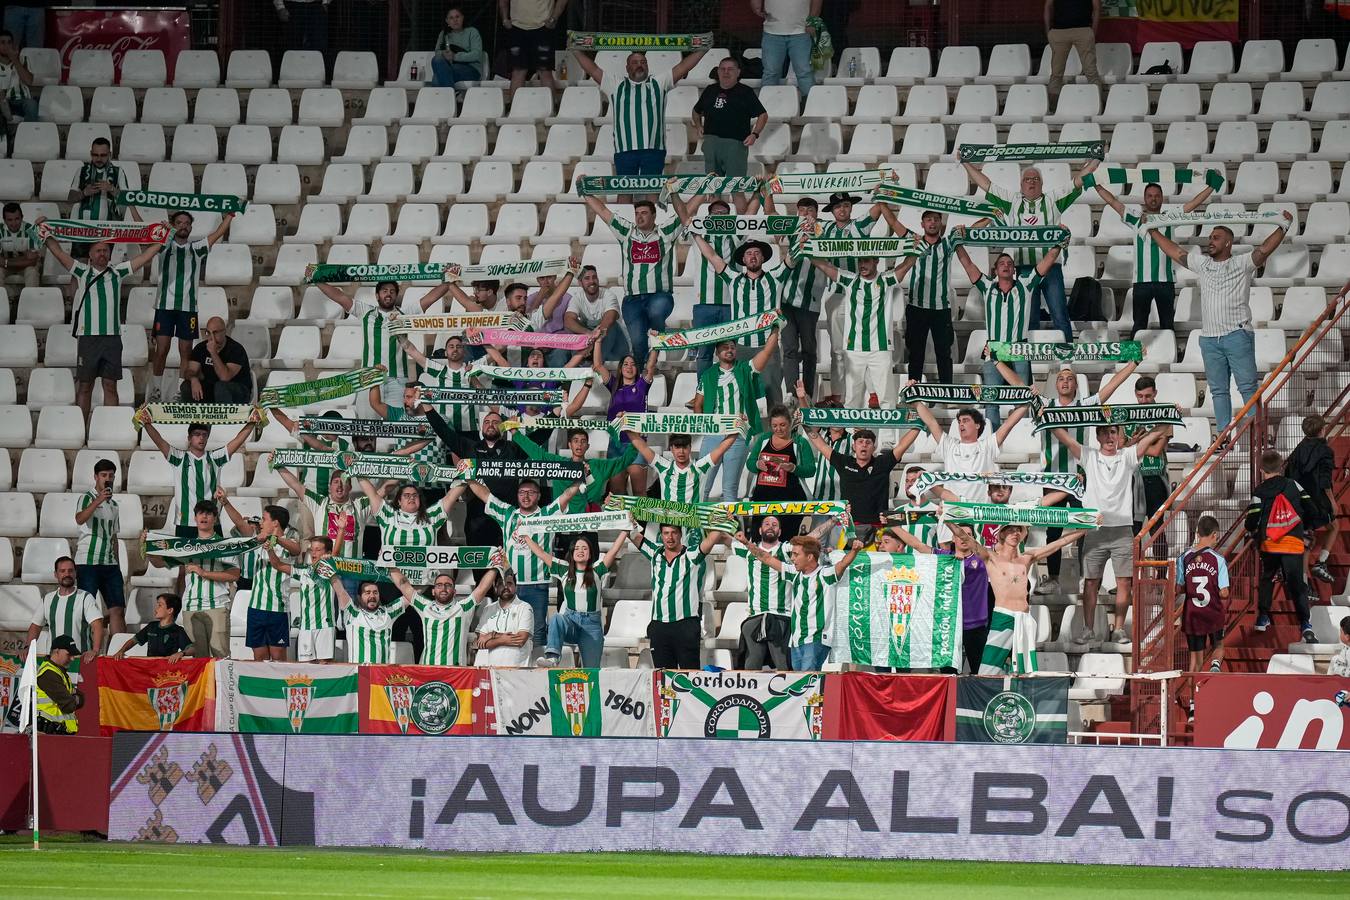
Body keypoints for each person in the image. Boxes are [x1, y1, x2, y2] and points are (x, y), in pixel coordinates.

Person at [996, 356, 1138, 594]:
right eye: (1061, 378)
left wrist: (1134, 363)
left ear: (1076, 385)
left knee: (1085, 527)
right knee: (1053, 529)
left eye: (1070, 379)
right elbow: (1019, 385)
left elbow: (1111, 386)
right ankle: (1053, 579)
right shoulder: (1044, 403)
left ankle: (1085, 577)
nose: (1065, 381)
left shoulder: (1085, 404)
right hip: (1053, 479)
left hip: (1080, 477)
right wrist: (997, 362)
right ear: (1056, 384)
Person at [1146, 210, 1293, 435]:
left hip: (1237, 335)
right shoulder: (1203, 264)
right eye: (1210, 238)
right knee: (1218, 391)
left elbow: (1264, 250)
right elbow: (1176, 251)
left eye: (1216, 238)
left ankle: (1259, 437)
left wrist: (1283, 227)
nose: (1210, 241)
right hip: (1209, 339)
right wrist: (1152, 230)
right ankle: (1223, 437)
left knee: (1248, 389)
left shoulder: (1241, 263)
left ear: (1228, 243)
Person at [1051, 423, 1168, 644]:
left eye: (1113, 432)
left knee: (1124, 582)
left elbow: (1151, 436)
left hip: (1122, 529)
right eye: (1104, 432)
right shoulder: (1089, 456)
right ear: (1097, 437)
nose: (1109, 436)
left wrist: (1171, 416)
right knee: (1091, 582)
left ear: (1119, 435)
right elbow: (1065, 438)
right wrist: (1046, 417)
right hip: (1095, 530)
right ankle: (1087, 629)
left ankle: (1119, 629)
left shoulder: (1127, 456)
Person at [961, 157, 1098, 342]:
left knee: (1060, 315)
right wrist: (965, 162)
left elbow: (1078, 181)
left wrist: (1097, 160)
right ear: (1021, 185)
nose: (1031, 182)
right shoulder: (1012, 201)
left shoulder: (1053, 200)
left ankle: (1067, 356)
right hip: (1024, 269)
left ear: (1042, 184)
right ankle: (1030, 356)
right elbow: (986, 184)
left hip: (1050, 268)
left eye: (1035, 179)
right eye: (1027, 179)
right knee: (1029, 318)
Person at [39, 229, 164, 417]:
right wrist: (45, 232)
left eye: (105, 250)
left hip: (112, 338)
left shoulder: (117, 272)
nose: (102, 254)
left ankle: (109, 425)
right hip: (88, 337)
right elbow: (58, 253)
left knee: (110, 385)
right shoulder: (82, 271)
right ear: (90, 254)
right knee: (85, 386)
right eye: (98, 250)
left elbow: (145, 257)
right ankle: (81, 427)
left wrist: (162, 238)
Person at [952, 237, 1066, 427]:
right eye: (1001, 263)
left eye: (1009, 264)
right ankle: (994, 438)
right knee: (991, 400)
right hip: (994, 350)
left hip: (1019, 349)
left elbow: (1046, 263)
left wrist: (1059, 245)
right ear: (995, 270)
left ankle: (1022, 435)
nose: (1006, 266)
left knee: (1022, 398)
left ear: (1014, 270)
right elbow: (968, 264)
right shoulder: (987, 286)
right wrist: (957, 245)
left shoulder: (1025, 285)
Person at [465, 475, 586, 651]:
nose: (526, 496)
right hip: (509, 585)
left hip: (537, 585)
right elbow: (485, 495)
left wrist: (579, 476)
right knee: (508, 628)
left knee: (536, 632)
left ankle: (534, 666)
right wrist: (467, 477)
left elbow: (566, 495)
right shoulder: (508, 513)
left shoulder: (547, 514)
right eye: (522, 492)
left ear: (539, 495)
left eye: (531, 492)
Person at [952, 522, 1087, 675]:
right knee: (988, 669)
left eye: (1018, 530)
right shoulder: (991, 558)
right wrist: (946, 519)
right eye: (1011, 530)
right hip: (1003, 617)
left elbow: (1059, 543)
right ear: (1002, 534)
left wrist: (1086, 528)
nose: (1015, 533)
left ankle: (1020, 691)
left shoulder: (1026, 559)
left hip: (1024, 618)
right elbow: (965, 537)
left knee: (1025, 671)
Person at [1092, 178, 1215, 339]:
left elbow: (1193, 204)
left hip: (1165, 281)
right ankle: (1134, 354)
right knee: (1139, 324)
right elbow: (1113, 202)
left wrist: (1212, 187)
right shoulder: (1136, 218)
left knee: (1167, 325)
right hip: (1141, 282)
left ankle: (1168, 353)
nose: (1153, 199)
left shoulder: (1169, 218)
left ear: (1162, 198)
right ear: (1145, 198)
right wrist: (1095, 185)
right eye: (1149, 196)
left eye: (1157, 195)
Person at [315, 276, 452, 413]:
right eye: (384, 291)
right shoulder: (365, 311)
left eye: (392, 291)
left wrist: (449, 281)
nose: (388, 294)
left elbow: (429, 299)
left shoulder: (405, 313)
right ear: (377, 295)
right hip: (368, 378)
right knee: (368, 424)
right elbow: (339, 297)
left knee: (397, 423)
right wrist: (316, 279)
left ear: (396, 296)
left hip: (397, 380)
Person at [573, 46, 707, 181]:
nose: (639, 65)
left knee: (651, 189)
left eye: (643, 62)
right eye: (635, 62)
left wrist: (703, 50)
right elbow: (593, 70)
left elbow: (683, 67)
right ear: (627, 68)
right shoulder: (615, 85)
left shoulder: (659, 83)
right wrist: (575, 50)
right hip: (625, 151)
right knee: (625, 190)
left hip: (654, 150)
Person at [734, 532, 864, 671]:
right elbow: (766, 558)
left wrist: (854, 551)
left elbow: (843, 564)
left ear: (809, 557)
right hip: (796, 640)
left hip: (816, 638)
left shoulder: (825, 574)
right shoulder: (795, 573)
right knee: (798, 680)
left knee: (807, 678)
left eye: (796, 555)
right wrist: (746, 543)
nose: (792, 558)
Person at [670, 192, 765, 376]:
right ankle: (703, 390)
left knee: (729, 352)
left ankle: (730, 389)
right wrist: (676, 192)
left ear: (729, 218)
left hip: (730, 305)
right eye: (715, 213)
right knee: (704, 354)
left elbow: (750, 214)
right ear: (708, 216)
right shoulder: (699, 233)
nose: (719, 216)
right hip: (704, 304)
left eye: (723, 213)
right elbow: (683, 213)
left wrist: (758, 191)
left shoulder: (735, 235)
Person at [816, 190, 898, 394]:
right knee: (838, 349)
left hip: (860, 295)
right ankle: (837, 395)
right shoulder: (824, 227)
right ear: (832, 211)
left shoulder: (859, 225)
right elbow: (802, 222)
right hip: (836, 294)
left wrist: (882, 190)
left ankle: (873, 394)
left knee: (865, 347)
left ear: (851, 207)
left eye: (845, 205)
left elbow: (879, 207)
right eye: (837, 206)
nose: (842, 209)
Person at [148, 211, 235, 403]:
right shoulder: (163, 245)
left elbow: (219, 232)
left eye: (187, 223)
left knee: (186, 350)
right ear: (173, 225)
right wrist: (131, 205)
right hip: (164, 306)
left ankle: (181, 391)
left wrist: (230, 214)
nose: (183, 225)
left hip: (188, 309)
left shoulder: (197, 248)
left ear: (191, 227)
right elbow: (143, 232)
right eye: (179, 222)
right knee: (161, 349)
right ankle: (156, 390)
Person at [688, 233, 785, 402]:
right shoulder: (733, 279)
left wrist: (803, 239)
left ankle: (776, 421)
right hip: (741, 347)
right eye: (749, 253)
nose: (753, 256)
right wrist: (695, 234)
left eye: (757, 253)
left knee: (773, 393)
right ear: (743, 259)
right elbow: (712, 256)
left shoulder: (775, 277)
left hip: (767, 345)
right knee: (739, 396)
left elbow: (792, 259)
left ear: (763, 257)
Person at [583, 196, 683, 359]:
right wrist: (586, 192)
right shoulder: (626, 232)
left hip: (659, 295)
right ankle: (642, 371)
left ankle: (657, 338)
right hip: (632, 300)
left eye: (644, 213)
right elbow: (602, 211)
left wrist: (703, 189)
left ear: (654, 216)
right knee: (637, 344)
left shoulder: (665, 232)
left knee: (657, 311)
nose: (639, 217)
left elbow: (686, 211)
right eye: (637, 213)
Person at [136, 409, 259, 539]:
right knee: (185, 554)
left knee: (214, 553)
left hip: (212, 522)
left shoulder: (215, 458)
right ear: (189, 438)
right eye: (197, 434)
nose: (201, 438)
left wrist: (252, 422)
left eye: (204, 435)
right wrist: (146, 423)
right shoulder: (179, 458)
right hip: (185, 523)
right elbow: (159, 441)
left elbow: (237, 441)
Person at [145, 500, 240, 659]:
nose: (204, 517)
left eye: (208, 514)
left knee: (220, 657)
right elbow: (159, 563)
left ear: (215, 519)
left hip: (216, 604)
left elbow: (234, 574)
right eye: (200, 513)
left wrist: (204, 573)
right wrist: (148, 548)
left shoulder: (224, 545)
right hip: (191, 606)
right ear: (195, 518)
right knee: (198, 659)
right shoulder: (185, 546)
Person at [805, 254, 902, 410]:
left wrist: (915, 251)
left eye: (866, 260)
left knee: (886, 400)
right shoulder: (850, 280)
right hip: (854, 346)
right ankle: (847, 419)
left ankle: (883, 422)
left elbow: (905, 267)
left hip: (880, 347)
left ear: (876, 261)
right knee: (851, 399)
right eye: (860, 261)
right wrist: (808, 253)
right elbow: (826, 267)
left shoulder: (885, 280)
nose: (862, 264)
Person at [694, 330, 781, 502]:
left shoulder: (745, 369)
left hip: (738, 435)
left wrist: (775, 329)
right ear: (717, 352)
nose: (729, 350)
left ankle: (730, 521)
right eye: (725, 347)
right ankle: (698, 520)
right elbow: (698, 404)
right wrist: (704, 426)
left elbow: (767, 351)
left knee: (730, 489)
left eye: (732, 347)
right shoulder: (708, 375)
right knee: (702, 485)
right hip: (713, 434)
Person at [425, 409, 529, 551]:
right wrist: (427, 406)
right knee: (478, 561)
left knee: (507, 562)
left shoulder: (513, 449)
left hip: (507, 518)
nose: (490, 425)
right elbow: (443, 431)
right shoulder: (471, 447)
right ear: (481, 427)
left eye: (495, 422)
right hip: (477, 520)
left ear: (504, 427)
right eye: (486, 422)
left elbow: (538, 440)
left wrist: (555, 413)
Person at [892, 210, 975, 384]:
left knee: (944, 354)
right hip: (916, 307)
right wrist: (882, 202)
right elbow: (894, 224)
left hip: (941, 308)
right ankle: (914, 391)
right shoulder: (914, 241)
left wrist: (991, 215)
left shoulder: (948, 243)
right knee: (916, 354)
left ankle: (946, 392)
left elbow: (975, 230)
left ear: (940, 223)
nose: (932, 223)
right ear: (922, 224)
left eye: (936, 219)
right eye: (928, 219)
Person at [273, 459, 371, 602]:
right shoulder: (320, 503)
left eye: (344, 481)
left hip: (351, 573)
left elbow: (382, 492)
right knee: (325, 611)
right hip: (324, 571)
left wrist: (400, 468)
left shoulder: (360, 506)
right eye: (336, 482)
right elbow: (296, 485)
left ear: (350, 487)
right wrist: (278, 465)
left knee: (348, 613)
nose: (339, 485)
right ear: (330, 487)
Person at [524, 533, 627, 668]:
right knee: (557, 618)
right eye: (577, 548)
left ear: (590, 554)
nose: (580, 551)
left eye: (584, 548)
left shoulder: (597, 570)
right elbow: (542, 554)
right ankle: (552, 658)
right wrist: (526, 537)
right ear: (572, 553)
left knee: (591, 670)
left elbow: (613, 550)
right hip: (571, 621)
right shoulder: (563, 570)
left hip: (591, 626)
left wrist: (625, 531)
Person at [1246, 449, 1316, 643]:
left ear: (1262, 470)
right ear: (1281, 467)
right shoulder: (1293, 485)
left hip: (1269, 543)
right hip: (1293, 541)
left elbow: (1252, 519)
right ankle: (1305, 623)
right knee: (1296, 583)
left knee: (1267, 578)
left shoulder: (1259, 491)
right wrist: (1304, 525)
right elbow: (1311, 507)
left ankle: (1263, 616)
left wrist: (1251, 529)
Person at [630, 524, 722, 669]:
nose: (670, 537)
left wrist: (722, 520)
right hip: (659, 626)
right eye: (666, 533)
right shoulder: (654, 552)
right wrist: (626, 517)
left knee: (689, 675)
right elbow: (631, 534)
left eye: (674, 532)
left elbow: (711, 540)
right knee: (663, 676)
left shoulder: (691, 554)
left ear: (680, 534)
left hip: (685, 625)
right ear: (661, 535)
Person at [221, 499, 301, 662]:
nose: (261, 523)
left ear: (275, 523)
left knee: (278, 660)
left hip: (278, 609)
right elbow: (239, 522)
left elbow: (297, 549)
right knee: (259, 659)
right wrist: (225, 502)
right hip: (256, 609)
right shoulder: (258, 540)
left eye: (264, 519)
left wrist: (274, 539)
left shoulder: (288, 542)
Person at [803, 426, 918, 529]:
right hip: (847, 526)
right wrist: (803, 422)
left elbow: (903, 445)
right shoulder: (844, 462)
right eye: (860, 442)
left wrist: (918, 425)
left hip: (876, 526)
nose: (864, 445)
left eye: (868, 442)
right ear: (854, 446)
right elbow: (821, 445)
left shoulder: (882, 463)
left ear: (874, 447)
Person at [692, 58, 768, 211]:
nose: (726, 72)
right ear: (718, 71)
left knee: (736, 188)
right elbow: (696, 111)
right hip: (711, 142)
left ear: (738, 72)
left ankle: (742, 223)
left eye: (730, 69)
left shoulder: (745, 92)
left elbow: (763, 115)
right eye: (722, 69)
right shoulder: (710, 90)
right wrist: (699, 126)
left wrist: (755, 134)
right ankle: (715, 221)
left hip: (735, 144)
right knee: (713, 187)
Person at [766, 196, 825, 393]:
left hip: (811, 301)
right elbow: (771, 215)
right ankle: (792, 394)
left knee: (809, 351)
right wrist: (768, 192)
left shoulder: (825, 230)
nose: (806, 214)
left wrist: (814, 229)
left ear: (816, 212)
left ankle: (807, 395)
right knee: (790, 349)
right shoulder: (793, 227)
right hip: (787, 300)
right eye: (802, 210)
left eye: (810, 210)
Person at [390, 563, 500, 667]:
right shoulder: (425, 607)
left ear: (454, 591)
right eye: (439, 585)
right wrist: (389, 563)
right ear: (433, 591)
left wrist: (495, 566)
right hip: (429, 671)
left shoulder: (463, 608)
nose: (443, 588)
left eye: (448, 585)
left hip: (456, 673)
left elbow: (482, 588)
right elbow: (403, 584)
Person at [593, 346, 659, 495]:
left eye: (633, 364)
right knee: (617, 492)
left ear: (637, 369)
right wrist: (598, 341)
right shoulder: (614, 385)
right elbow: (597, 365)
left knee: (639, 492)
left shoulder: (642, 386)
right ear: (620, 368)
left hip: (636, 445)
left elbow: (650, 366)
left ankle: (639, 514)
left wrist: (656, 345)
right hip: (616, 445)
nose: (629, 367)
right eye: (626, 364)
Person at [744, 404, 817, 539]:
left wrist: (793, 468)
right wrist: (757, 464)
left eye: (782, 425)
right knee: (759, 539)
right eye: (775, 426)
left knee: (786, 541)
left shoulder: (800, 443)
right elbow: (750, 463)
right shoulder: (763, 439)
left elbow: (811, 470)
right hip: (762, 499)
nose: (778, 429)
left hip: (790, 500)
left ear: (790, 423)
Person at [75, 458, 125, 637]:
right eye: (104, 475)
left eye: (111, 475)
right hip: (88, 562)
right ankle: (84, 647)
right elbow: (79, 519)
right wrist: (98, 500)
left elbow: (114, 537)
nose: (107, 478)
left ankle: (118, 650)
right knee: (86, 609)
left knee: (117, 609)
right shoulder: (86, 498)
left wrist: (118, 565)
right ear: (96, 477)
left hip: (109, 563)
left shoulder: (114, 505)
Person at [1284, 414, 1338, 584]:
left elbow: (1288, 473)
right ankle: (1321, 562)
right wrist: (1332, 501)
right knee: (1334, 526)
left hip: (1299, 499)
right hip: (1317, 498)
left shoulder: (1298, 449)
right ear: (1322, 430)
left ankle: (1304, 582)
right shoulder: (1325, 451)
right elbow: (1325, 480)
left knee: (1306, 539)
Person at [268, 536, 338, 663]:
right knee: (305, 667)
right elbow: (277, 565)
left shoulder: (331, 567)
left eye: (318, 550)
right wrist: (270, 549)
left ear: (327, 552)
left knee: (325, 666)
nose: (313, 553)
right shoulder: (303, 571)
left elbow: (336, 553)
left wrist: (341, 530)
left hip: (325, 625)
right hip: (305, 627)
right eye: (312, 549)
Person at [1124, 374, 1172, 559]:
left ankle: (1161, 574)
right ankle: (1131, 574)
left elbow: (1156, 451)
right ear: (1135, 394)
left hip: (1155, 478)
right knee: (1133, 529)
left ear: (1155, 393)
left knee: (1156, 529)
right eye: (1140, 396)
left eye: (1148, 396)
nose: (1143, 400)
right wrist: (1142, 442)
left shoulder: (1165, 414)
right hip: (1133, 478)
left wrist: (1135, 443)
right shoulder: (1128, 415)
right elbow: (1121, 447)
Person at [1176, 514, 1229, 675]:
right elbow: (1224, 593)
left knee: (1195, 661)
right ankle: (1215, 664)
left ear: (1197, 534)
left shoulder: (1184, 558)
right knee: (1218, 646)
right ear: (1215, 534)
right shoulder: (1218, 559)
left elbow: (1178, 588)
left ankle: (1192, 692)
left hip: (1192, 614)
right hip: (1212, 611)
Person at [627, 430, 738, 505]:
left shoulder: (700, 467)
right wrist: (625, 425)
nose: (681, 451)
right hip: (670, 524)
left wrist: (738, 428)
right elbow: (643, 447)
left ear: (690, 448)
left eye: (684, 447)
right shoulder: (663, 466)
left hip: (693, 525)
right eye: (677, 447)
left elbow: (721, 449)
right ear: (671, 449)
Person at [25, 557, 103, 663]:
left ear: (75, 573)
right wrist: (27, 648)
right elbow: (35, 627)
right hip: (53, 661)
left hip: (80, 660)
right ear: (55, 574)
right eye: (62, 571)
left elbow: (97, 625)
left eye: (70, 571)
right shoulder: (47, 599)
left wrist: (95, 650)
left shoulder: (85, 597)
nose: (67, 574)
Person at [753, 0, 822, 99]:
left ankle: (811, 104)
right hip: (772, 31)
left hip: (801, 31)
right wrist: (756, 4)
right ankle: (767, 104)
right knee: (771, 72)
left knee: (804, 72)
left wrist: (812, 20)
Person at [500, 0, 567, 96]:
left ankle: (550, 104)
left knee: (544, 71)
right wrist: (504, 19)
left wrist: (554, 18)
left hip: (543, 27)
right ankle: (515, 105)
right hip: (517, 27)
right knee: (518, 72)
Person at [181, 316, 253, 404]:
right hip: (212, 389)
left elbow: (225, 377)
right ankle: (193, 413)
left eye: (215, 333)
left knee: (221, 387)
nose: (211, 338)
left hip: (238, 390)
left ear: (224, 332)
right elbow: (190, 370)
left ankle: (223, 413)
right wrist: (193, 379)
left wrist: (213, 352)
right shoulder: (200, 348)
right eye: (208, 333)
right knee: (186, 386)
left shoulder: (236, 349)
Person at [68, 138, 128, 241]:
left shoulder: (118, 172)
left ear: (109, 154)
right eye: (95, 155)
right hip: (82, 231)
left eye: (103, 155)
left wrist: (111, 189)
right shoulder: (81, 170)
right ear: (91, 153)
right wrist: (84, 193)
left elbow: (128, 199)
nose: (99, 159)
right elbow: (70, 198)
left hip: (108, 231)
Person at [567, 265, 628, 364]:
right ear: (580, 283)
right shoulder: (577, 298)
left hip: (615, 347)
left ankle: (594, 364)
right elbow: (568, 319)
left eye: (594, 277)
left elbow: (610, 316)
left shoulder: (608, 295)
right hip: (591, 341)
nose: (592, 281)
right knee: (573, 326)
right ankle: (581, 362)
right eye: (587, 278)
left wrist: (595, 336)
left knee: (610, 325)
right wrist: (588, 333)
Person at [472, 569, 534, 666]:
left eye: (509, 583)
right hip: (491, 669)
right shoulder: (488, 609)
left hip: (518, 669)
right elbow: (479, 643)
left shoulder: (525, 607)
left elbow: (520, 640)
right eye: (501, 584)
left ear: (516, 587)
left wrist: (491, 636)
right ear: (495, 587)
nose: (505, 587)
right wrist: (501, 639)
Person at [1044, 0, 1103, 100]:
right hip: (1061, 31)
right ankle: (1054, 106)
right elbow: (1047, 6)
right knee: (1056, 73)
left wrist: (1093, 31)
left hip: (1081, 30)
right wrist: (1048, 31)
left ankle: (1097, 103)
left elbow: (1097, 8)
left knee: (1090, 72)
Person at [330, 579, 397, 665]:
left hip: (381, 672)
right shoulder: (352, 614)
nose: (372, 596)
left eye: (375, 592)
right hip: (358, 672)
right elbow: (340, 591)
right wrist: (330, 572)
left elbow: (409, 595)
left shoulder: (388, 613)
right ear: (359, 597)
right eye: (367, 593)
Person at [114, 593, 192, 661]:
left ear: (170, 610)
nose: (156, 608)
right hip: (150, 667)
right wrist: (121, 651)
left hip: (166, 669)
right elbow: (133, 640)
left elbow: (192, 649)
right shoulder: (151, 626)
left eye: (160, 605)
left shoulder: (178, 630)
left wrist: (181, 653)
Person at [35, 635, 84, 735]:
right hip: (47, 734)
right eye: (69, 654)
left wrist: (73, 698)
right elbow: (69, 705)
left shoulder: (58, 672)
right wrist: (73, 698)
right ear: (56, 651)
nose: (72, 658)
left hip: (57, 733)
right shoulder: (49, 673)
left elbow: (82, 698)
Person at [429, 6, 486, 86]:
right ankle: (452, 92)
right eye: (451, 18)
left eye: (457, 17)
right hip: (450, 66)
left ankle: (450, 93)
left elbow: (477, 54)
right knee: (436, 60)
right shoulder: (443, 34)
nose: (455, 20)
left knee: (436, 79)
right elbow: (437, 52)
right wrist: (443, 54)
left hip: (471, 68)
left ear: (462, 18)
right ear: (447, 21)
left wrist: (455, 56)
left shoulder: (472, 32)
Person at [0, 202, 42, 290]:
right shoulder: (0, 230)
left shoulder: (32, 229)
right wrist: (25, 258)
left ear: (22, 217)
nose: (14, 223)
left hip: (24, 267)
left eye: (17, 219)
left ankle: (31, 298)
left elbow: (33, 261)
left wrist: (6, 262)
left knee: (32, 271)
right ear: (4, 220)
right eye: (10, 220)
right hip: (7, 267)